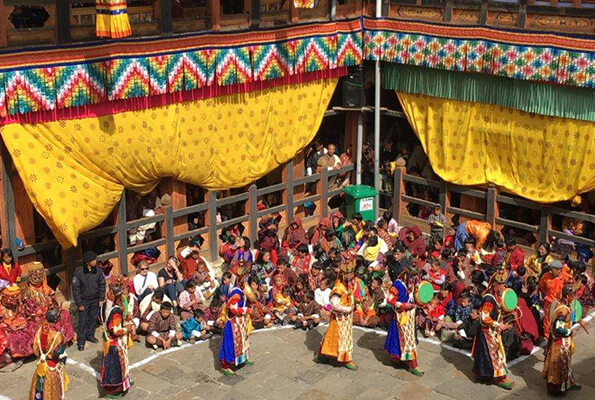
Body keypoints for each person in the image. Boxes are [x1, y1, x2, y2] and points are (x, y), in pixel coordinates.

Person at [472, 269, 514, 390]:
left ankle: (484, 375)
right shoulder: (489, 299)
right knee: (496, 354)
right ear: (495, 284)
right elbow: (484, 317)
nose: (503, 287)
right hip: (487, 331)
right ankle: (501, 378)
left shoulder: (496, 296)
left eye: (504, 284)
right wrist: (499, 325)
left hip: (492, 330)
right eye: (501, 284)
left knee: (489, 354)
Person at [318, 254, 357, 371]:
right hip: (339, 319)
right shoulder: (339, 288)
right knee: (339, 338)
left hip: (346, 319)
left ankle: (330, 355)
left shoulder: (348, 285)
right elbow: (335, 305)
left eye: (351, 273)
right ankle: (345, 359)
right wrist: (348, 309)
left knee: (343, 338)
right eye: (347, 274)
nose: (350, 276)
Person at [541, 285, 582, 396]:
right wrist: (570, 332)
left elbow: (570, 319)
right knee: (559, 366)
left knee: (567, 363)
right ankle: (556, 389)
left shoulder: (564, 305)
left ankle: (569, 382)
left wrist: (577, 320)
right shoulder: (562, 311)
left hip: (564, 342)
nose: (574, 297)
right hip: (560, 343)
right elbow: (559, 328)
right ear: (567, 295)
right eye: (572, 295)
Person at [384, 264, 424, 376]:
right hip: (400, 317)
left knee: (405, 340)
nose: (413, 279)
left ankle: (398, 360)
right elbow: (390, 300)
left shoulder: (409, 284)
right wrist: (403, 305)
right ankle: (412, 365)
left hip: (409, 317)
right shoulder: (397, 285)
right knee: (406, 341)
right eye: (411, 277)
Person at [100, 283, 132, 399]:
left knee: (114, 364)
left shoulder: (105, 305)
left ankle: (125, 382)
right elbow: (115, 330)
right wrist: (126, 329)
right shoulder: (116, 311)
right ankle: (116, 389)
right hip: (115, 342)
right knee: (116, 365)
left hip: (107, 340)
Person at [28, 308, 68, 400]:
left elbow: (36, 349)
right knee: (52, 392)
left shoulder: (40, 330)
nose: (60, 317)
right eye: (58, 316)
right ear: (55, 320)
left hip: (41, 365)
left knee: (39, 390)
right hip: (52, 368)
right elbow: (58, 353)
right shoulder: (57, 336)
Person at [72, 251, 106, 351]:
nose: (95, 261)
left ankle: (90, 335)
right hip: (84, 301)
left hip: (95, 300)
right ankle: (81, 342)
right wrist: (79, 303)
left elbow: (102, 285)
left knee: (93, 319)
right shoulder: (79, 273)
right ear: (87, 262)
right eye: (93, 260)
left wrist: (101, 298)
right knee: (83, 321)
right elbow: (76, 290)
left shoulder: (99, 271)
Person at [219, 283, 253, 376]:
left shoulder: (242, 289)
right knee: (230, 344)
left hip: (241, 322)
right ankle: (225, 366)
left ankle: (242, 359)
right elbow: (233, 309)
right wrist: (246, 310)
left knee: (243, 341)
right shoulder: (236, 292)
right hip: (233, 323)